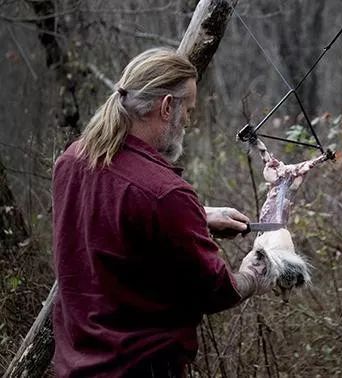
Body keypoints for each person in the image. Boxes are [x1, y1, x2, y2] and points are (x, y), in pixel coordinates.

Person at [51, 47, 272, 377]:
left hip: (74, 367)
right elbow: (216, 290)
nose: (188, 122)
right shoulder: (165, 193)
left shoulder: (71, 160)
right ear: (167, 106)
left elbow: (112, 225)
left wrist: (198, 215)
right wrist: (254, 274)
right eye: (189, 111)